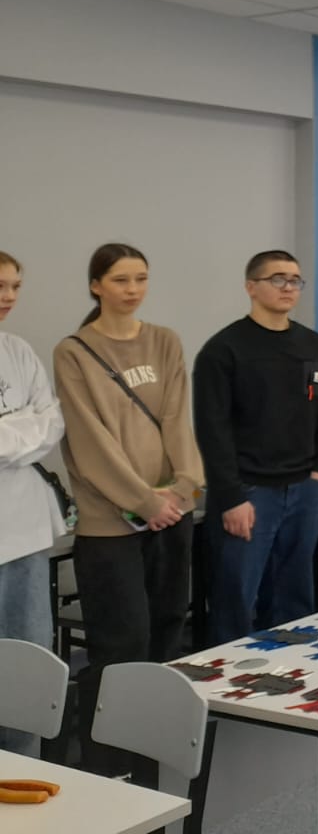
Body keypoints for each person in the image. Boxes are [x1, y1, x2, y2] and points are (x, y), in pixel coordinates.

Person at [54, 243, 204, 774]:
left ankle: (155, 744)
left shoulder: (164, 341)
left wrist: (183, 489)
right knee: (121, 643)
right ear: (96, 285)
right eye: (120, 280)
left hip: (171, 513)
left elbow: (178, 419)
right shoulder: (74, 352)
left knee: (167, 627)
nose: (133, 289)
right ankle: (109, 760)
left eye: (141, 278)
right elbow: (90, 441)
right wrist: (143, 501)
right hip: (109, 525)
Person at [193, 250, 318, 645]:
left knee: (295, 597)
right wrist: (231, 497)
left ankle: (293, 672)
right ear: (251, 287)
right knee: (236, 601)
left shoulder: (315, 345)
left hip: (304, 488)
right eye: (277, 279)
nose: (288, 287)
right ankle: (229, 680)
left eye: (294, 280)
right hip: (249, 493)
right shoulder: (224, 350)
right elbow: (212, 431)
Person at [0, 251, 66, 757]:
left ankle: (26, 767)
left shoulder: (18, 350)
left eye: (15, 286)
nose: (8, 297)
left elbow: (52, 424)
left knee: (29, 660)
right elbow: (34, 428)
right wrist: (22, 423)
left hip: (25, 534)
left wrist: (13, 432)